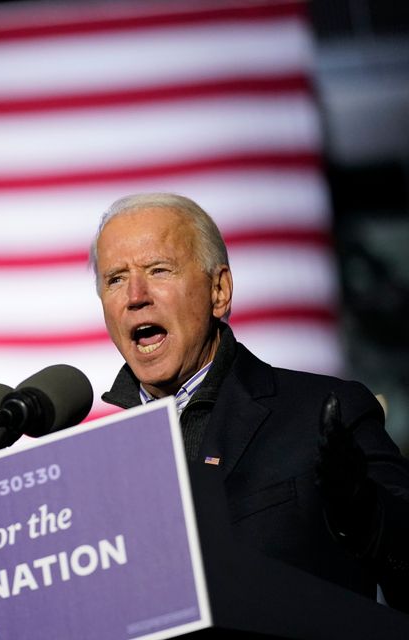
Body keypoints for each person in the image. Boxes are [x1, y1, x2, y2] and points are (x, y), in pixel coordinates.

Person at [91, 192, 409, 611]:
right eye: (115, 278)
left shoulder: (324, 413)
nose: (135, 296)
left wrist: (365, 513)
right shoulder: (95, 472)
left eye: (158, 270)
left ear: (219, 290)